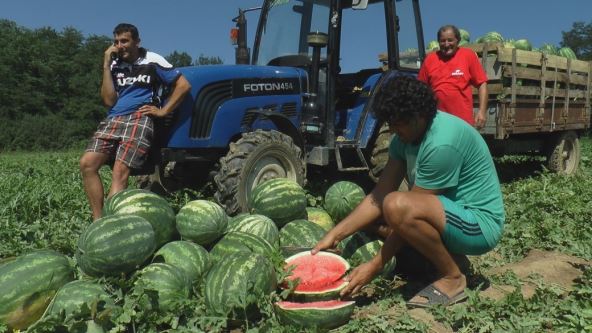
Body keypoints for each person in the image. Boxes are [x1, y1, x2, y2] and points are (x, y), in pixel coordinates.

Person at [312, 75, 504, 308]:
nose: (393, 129)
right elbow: (379, 195)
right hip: (445, 214)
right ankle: (450, 259)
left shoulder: (441, 143)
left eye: (398, 122)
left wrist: (374, 266)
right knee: (383, 211)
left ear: (418, 116)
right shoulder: (403, 139)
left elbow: (405, 209)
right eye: (389, 122)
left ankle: (453, 278)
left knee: (397, 207)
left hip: (478, 225)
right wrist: (335, 234)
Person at [80, 23, 191, 220]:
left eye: (124, 41)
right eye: (116, 42)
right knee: (87, 164)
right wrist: (106, 65)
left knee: (120, 171)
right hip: (114, 118)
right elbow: (108, 100)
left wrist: (163, 110)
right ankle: (98, 222)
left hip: (140, 117)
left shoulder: (152, 60)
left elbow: (183, 85)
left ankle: (113, 223)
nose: (119, 46)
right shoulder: (114, 65)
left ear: (137, 42)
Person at [418, 25, 488, 128]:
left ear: (458, 40)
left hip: (463, 122)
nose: (446, 44)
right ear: (438, 42)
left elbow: (482, 84)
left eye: (450, 40)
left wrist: (482, 112)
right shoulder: (430, 59)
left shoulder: (468, 56)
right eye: (442, 41)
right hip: (437, 121)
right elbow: (420, 89)